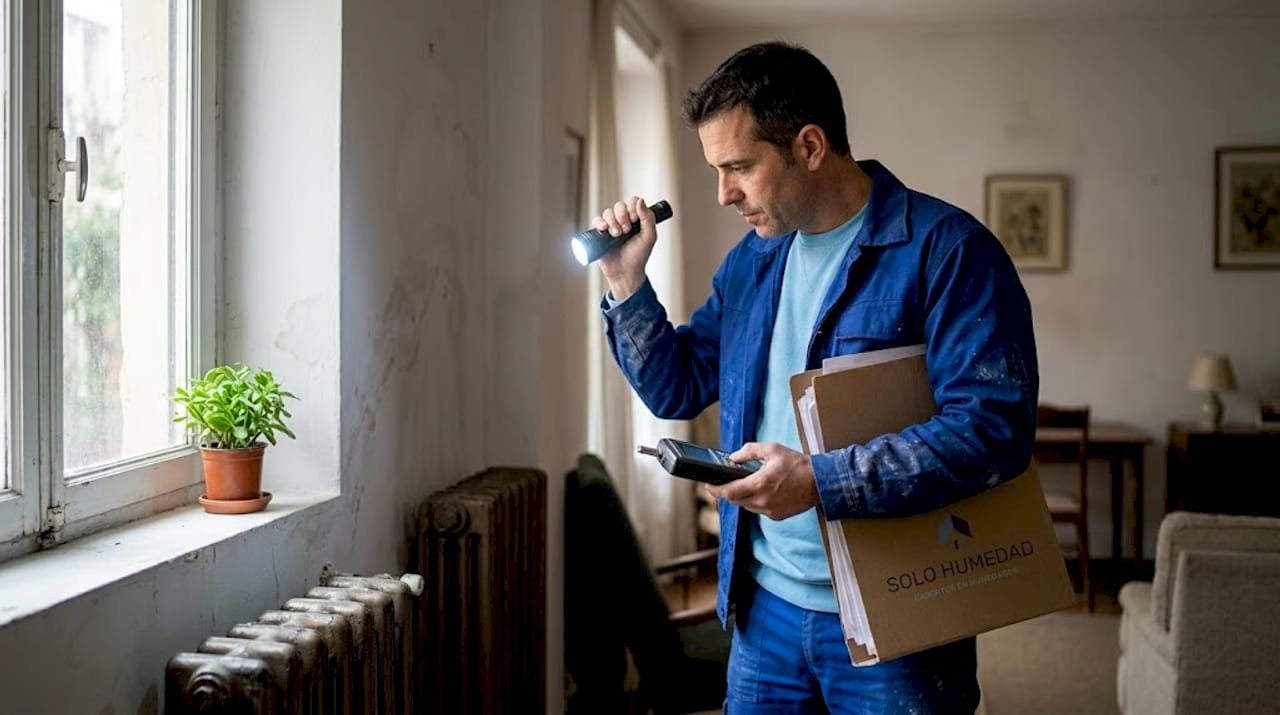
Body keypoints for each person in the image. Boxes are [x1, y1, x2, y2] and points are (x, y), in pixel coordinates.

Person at [590, 41, 1038, 714]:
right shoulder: (753, 263)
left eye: (738, 166)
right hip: (762, 609)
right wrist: (626, 284)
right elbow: (675, 386)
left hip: (898, 621)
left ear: (808, 146)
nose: (723, 193)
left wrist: (819, 480)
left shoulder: (950, 252)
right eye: (716, 169)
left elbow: (992, 431)